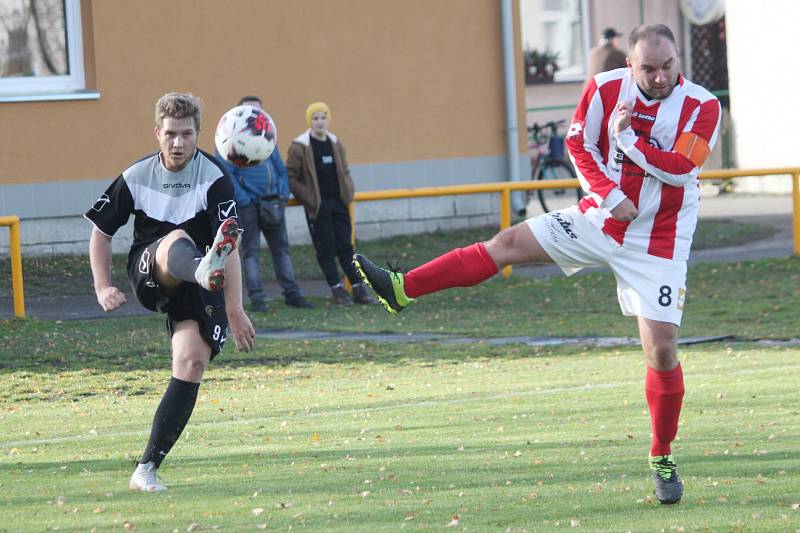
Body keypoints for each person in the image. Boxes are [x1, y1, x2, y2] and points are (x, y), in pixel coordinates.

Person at [354, 24, 720, 505]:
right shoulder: (606, 87)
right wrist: (608, 195)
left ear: (678, 60)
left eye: (667, 66)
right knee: (505, 242)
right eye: (648, 68)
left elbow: (682, 168)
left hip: (660, 242)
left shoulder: (703, 105)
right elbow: (577, 145)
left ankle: (662, 455)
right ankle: (403, 289)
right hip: (599, 219)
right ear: (630, 64)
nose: (658, 76)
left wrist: (628, 142)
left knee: (662, 353)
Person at [85, 92, 256, 492]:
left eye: (186, 134)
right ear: (157, 133)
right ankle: (199, 266)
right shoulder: (137, 175)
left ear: (198, 134)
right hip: (153, 270)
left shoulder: (214, 176)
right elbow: (101, 232)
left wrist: (235, 308)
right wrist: (102, 286)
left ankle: (146, 468)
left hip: (203, 276)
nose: (178, 143)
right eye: (170, 134)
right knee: (175, 237)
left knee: (192, 361)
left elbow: (228, 244)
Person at [215, 95, 314, 312]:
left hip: (272, 203)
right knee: (250, 251)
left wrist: (282, 192)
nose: (254, 116)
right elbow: (227, 175)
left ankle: (292, 294)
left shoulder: (266, 138)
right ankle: (257, 298)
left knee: (281, 249)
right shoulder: (228, 140)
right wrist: (244, 199)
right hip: (248, 206)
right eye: (248, 111)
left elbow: (280, 168)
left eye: (258, 111)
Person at [286, 101, 376, 306]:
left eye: (323, 118)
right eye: (315, 118)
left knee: (346, 246)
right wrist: (308, 198)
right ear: (310, 121)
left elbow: (345, 172)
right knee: (326, 248)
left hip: (339, 203)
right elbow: (291, 176)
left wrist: (348, 191)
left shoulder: (336, 143)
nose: (320, 122)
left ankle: (357, 288)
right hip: (318, 207)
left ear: (328, 120)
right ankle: (336, 289)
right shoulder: (300, 146)